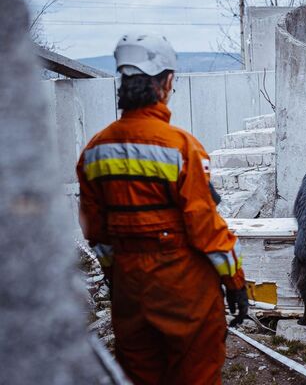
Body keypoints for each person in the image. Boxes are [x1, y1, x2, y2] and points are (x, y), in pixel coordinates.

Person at [76, 33, 248, 385]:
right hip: (185, 291)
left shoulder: (94, 151)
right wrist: (235, 282)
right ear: (166, 82)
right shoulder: (181, 148)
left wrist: (118, 278)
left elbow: (97, 234)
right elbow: (206, 227)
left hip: (130, 293)